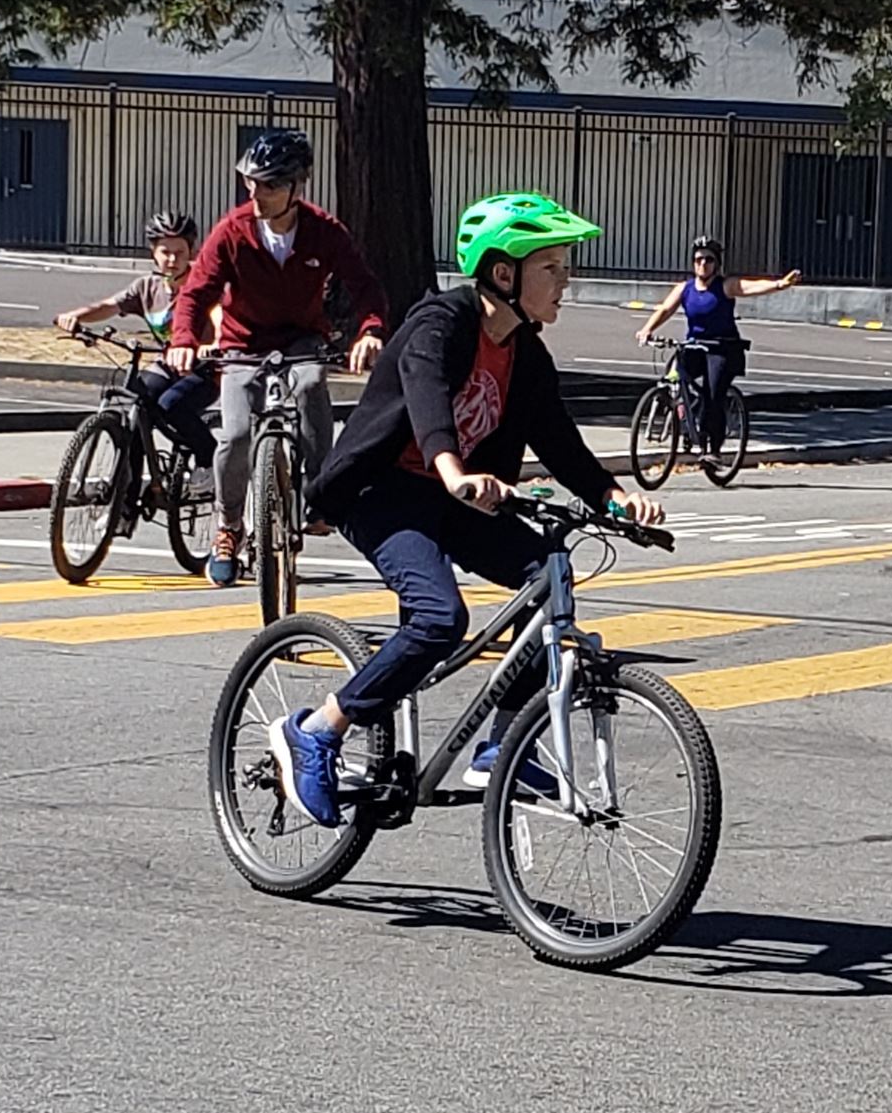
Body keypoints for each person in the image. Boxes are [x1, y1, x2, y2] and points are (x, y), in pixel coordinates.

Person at [270, 193, 667, 827]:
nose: (566, 282)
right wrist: (453, 470)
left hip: (456, 494)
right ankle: (317, 729)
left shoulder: (525, 353)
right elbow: (427, 398)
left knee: (547, 569)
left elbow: (560, 441)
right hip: (382, 492)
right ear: (503, 274)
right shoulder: (441, 324)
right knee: (439, 617)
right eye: (553, 269)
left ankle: (502, 743)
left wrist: (616, 499)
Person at [166, 129, 390, 586]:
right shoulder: (232, 231)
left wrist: (370, 332)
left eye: (268, 185)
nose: (256, 194)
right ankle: (229, 529)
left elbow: (366, 287)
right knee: (235, 435)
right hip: (242, 343)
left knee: (310, 385)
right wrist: (183, 338)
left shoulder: (324, 231)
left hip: (301, 340)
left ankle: (320, 495)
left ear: (296, 186)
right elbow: (195, 292)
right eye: (250, 183)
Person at [53, 211, 220, 491]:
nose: (172, 259)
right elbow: (109, 306)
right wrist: (75, 317)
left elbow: (220, 314)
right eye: (165, 251)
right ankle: (126, 499)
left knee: (171, 405)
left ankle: (209, 458)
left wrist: (213, 345)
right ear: (152, 252)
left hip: (204, 369)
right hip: (168, 364)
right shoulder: (147, 287)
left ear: (192, 250)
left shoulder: (202, 284)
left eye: (180, 252)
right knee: (137, 406)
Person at [634, 235, 801, 460]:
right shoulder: (685, 288)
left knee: (714, 394)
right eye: (698, 259)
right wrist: (647, 329)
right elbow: (665, 309)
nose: (703, 264)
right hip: (694, 346)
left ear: (717, 263)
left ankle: (713, 449)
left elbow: (751, 287)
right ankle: (687, 426)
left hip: (722, 348)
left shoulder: (725, 286)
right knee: (677, 378)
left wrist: (780, 284)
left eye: (709, 260)